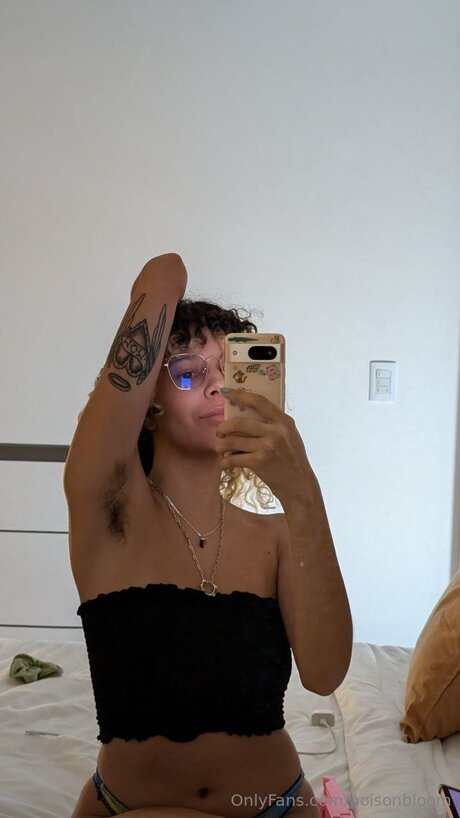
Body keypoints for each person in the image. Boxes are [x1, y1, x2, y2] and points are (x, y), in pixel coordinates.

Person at [64, 253, 323, 818]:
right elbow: (164, 273)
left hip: (277, 803)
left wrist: (304, 492)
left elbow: (326, 674)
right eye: (188, 372)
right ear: (148, 401)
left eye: (232, 370)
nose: (217, 387)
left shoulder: (276, 530)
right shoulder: (108, 509)